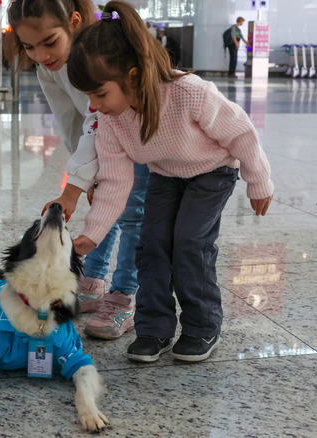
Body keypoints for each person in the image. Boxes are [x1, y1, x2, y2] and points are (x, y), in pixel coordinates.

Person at [67, 1, 274, 363]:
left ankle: (201, 326)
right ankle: (153, 329)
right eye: (89, 97)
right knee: (151, 245)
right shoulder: (113, 120)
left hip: (212, 172)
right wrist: (93, 234)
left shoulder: (189, 92)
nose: (94, 106)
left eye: (100, 94)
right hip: (166, 174)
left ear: (132, 75)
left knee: (190, 242)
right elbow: (115, 181)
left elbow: (241, 132)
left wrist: (259, 181)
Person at [7, 0, 150, 340]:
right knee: (103, 207)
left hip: (138, 137)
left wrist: (75, 185)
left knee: (132, 216)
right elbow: (71, 120)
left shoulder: (98, 52)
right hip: (104, 139)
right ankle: (93, 281)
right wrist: (87, 174)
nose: (40, 54)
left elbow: (97, 117)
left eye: (49, 42)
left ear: (73, 22)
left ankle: (123, 297)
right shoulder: (48, 65)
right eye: (29, 47)